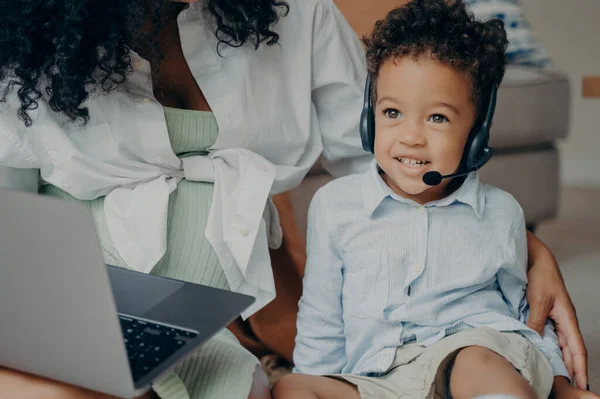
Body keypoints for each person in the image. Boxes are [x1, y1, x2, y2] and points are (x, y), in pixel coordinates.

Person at [0, 0, 588, 398]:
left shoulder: (297, 14)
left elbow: (391, 163)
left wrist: (524, 248)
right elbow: (14, 226)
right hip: (87, 309)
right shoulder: (26, 51)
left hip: (219, 325)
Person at [273, 1, 596, 398]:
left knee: (475, 359)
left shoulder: (501, 211)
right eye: (392, 112)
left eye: (437, 118)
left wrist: (561, 385)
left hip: (476, 354)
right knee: (291, 388)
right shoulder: (334, 206)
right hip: (382, 377)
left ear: (478, 130)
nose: (411, 136)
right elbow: (321, 318)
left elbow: (529, 316)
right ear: (369, 116)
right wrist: (315, 378)